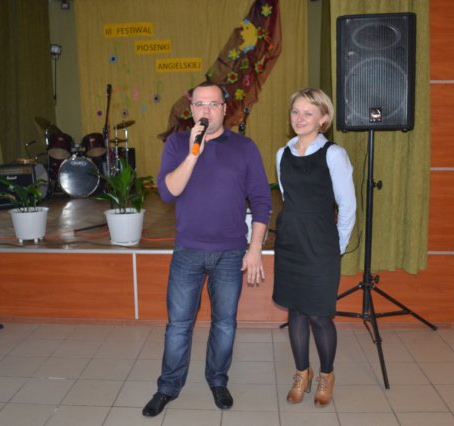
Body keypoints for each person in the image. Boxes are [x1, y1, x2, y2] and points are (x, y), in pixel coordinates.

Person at [142, 81, 272, 417]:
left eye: (213, 104)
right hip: (188, 250)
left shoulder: (244, 147)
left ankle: (217, 380)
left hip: (231, 251)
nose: (206, 110)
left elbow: (261, 200)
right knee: (178, 325)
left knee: (225, 323)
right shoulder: (177, 144)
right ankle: (168, 387)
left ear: (225, 109)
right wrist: (192, 153)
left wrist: (255, 248)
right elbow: (168, 192)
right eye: (200, 104)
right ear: (191, 109)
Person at [272, 88, 356, 407]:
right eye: (295, 111)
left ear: (323, 118)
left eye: (308, 113)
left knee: (320, 315)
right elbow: (288, 198)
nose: (299, 118)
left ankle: (326, 374)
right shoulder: (282, 154)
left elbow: (347, 206)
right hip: (290, 241)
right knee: (295, 310)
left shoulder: (334, 154)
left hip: (321, 245)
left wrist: (337, 247)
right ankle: (301, 373)